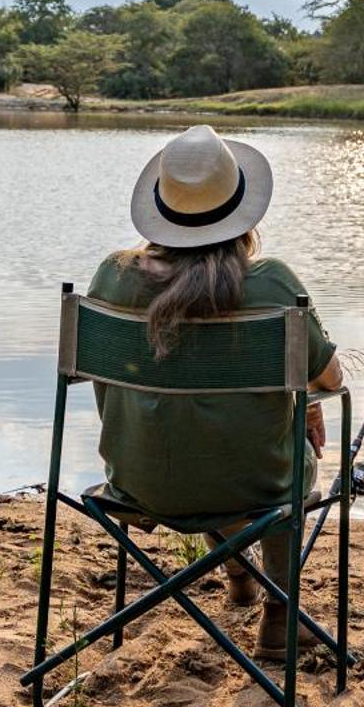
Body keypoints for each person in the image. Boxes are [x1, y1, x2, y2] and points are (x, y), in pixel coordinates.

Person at [86, 124, 343, 654]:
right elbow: (331, 379)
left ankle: (238, 579)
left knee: (192, 428)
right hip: (253, 486)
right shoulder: (271, 284)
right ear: (240, 211)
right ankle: (279, 613)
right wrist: (309, 406)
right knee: (273, 460)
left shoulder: (112, 278)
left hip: (138, 485)